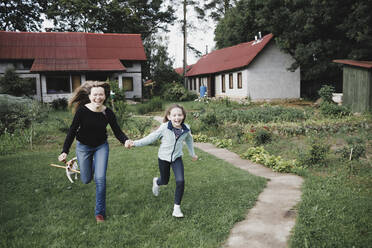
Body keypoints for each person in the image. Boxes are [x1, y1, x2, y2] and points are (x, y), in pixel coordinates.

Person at [58, 81, 130, 223]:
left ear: (105, 96)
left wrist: (125, 140)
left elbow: (117, 131)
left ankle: (99, 214)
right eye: (95, 94)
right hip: (83, 148)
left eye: (101, 94)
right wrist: (64, 151)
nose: (98, 97)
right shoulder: (82, 111)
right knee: (86, 179)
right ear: (90, 96)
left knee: (100, 179)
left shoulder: (107, 112)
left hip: (101, 147)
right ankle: (82, 164)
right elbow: (72, 131)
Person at [127, 104, 198, 218]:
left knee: (180, 181)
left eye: (179, 115)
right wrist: (135, 143)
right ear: (169, 116)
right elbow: (151, 137)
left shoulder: (186, 129)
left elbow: (189, 140)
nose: (177, 118)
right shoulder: (164, 127)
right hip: (163, 158)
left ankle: (176, 208)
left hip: (176, 158)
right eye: (174, 115)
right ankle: (157, 182)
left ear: (183, 116)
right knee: (165, 181)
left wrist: (192, 154)